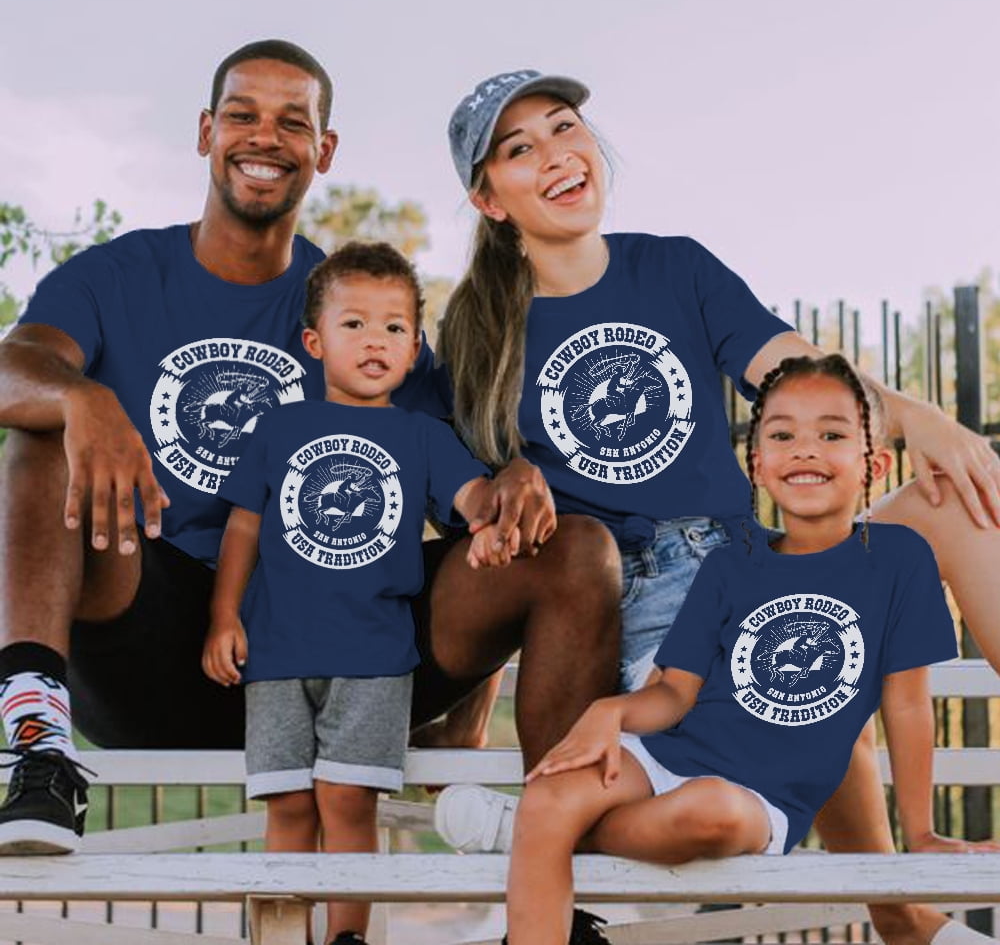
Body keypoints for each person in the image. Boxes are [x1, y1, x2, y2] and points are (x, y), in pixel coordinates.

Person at [0, 41, 620, 856]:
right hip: (148, 646)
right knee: (43, 439)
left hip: (335, 647)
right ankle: (40, 756)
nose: (265, 137)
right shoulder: (117, 276)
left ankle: (555, 866)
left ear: (323, 151)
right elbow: (15, 367)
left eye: (293, 122)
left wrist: (511, 474)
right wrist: (82, 396)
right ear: (204, 133)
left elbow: (468, 478)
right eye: (242, 115)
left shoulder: (354, 309)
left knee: (576, 548)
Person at [431, 69, 1000, 945]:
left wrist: (926, 423)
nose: (556, 155)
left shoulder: (676, 268)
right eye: (519, 149)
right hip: (654, 604)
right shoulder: (480, 338)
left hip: (751, 550)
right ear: (489, 197)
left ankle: (903, 912)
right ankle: (905, 916)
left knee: (952, 504)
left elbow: (795, 374)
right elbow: (489, 536)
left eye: (564, 127)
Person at [504, 354, 997, 945]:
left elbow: (909, 706)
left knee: (709, 810)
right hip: (663, 755)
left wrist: (920, 832)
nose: (806, 449)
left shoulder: (897, 562)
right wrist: (609, 712)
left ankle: (548, 832)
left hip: (758, 796)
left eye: (832, 434)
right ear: (757, 465)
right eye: (784, 434)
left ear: (876, 464)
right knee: (551, 798)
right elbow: (674, 692)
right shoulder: (728, 566)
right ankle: (547, 830)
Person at [202, 242, 506, 945]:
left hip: (373, 659)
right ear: (314, 342)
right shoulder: (280, 428)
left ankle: (348, 938)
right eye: (355, 324)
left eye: (395, 327)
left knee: (346, 803)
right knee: (287, 807)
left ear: (416, 345)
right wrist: (223, 616)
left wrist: (500, 498)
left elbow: (474, 496)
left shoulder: (421, 436)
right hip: (276, 655)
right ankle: (281, 934)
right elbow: (243, 527)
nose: (377, 340)